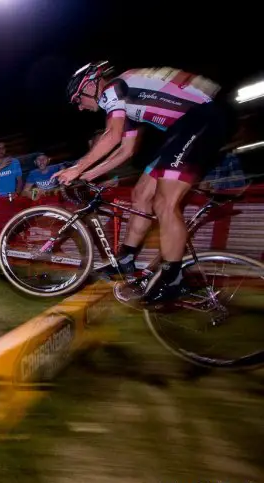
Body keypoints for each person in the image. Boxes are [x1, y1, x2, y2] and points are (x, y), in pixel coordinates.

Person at [55, 62, 231, 303]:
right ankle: (126, 259)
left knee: (164, 203)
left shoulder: (113, 89)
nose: (80, 108)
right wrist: (88, 175)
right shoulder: (127, 103)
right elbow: (125, 151)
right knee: (141, 194)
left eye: (78, 100)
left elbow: (111, 136)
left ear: (90, 86)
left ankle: (173, 278)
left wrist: (77, 167)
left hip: (200, 121)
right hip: (183, 129)